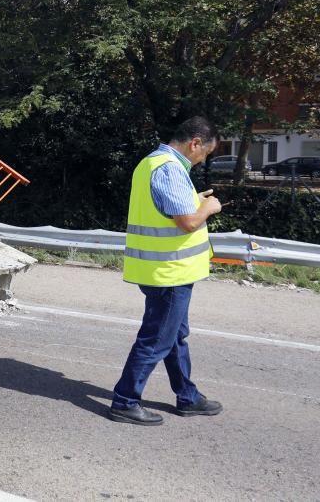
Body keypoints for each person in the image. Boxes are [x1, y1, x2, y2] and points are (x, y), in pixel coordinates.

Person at [108, 116, 224, 426]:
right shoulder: (169, 168)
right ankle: (125, 400)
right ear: (195, 143)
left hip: (167, 269)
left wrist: (194, 200)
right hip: (169, 271)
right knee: (157, 337)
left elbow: (170, 211)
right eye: (205, 153)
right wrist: (208, 208)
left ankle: (187, 396)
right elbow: (187, 222)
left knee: (174, 336)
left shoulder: (153, 162)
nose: (202, 161)